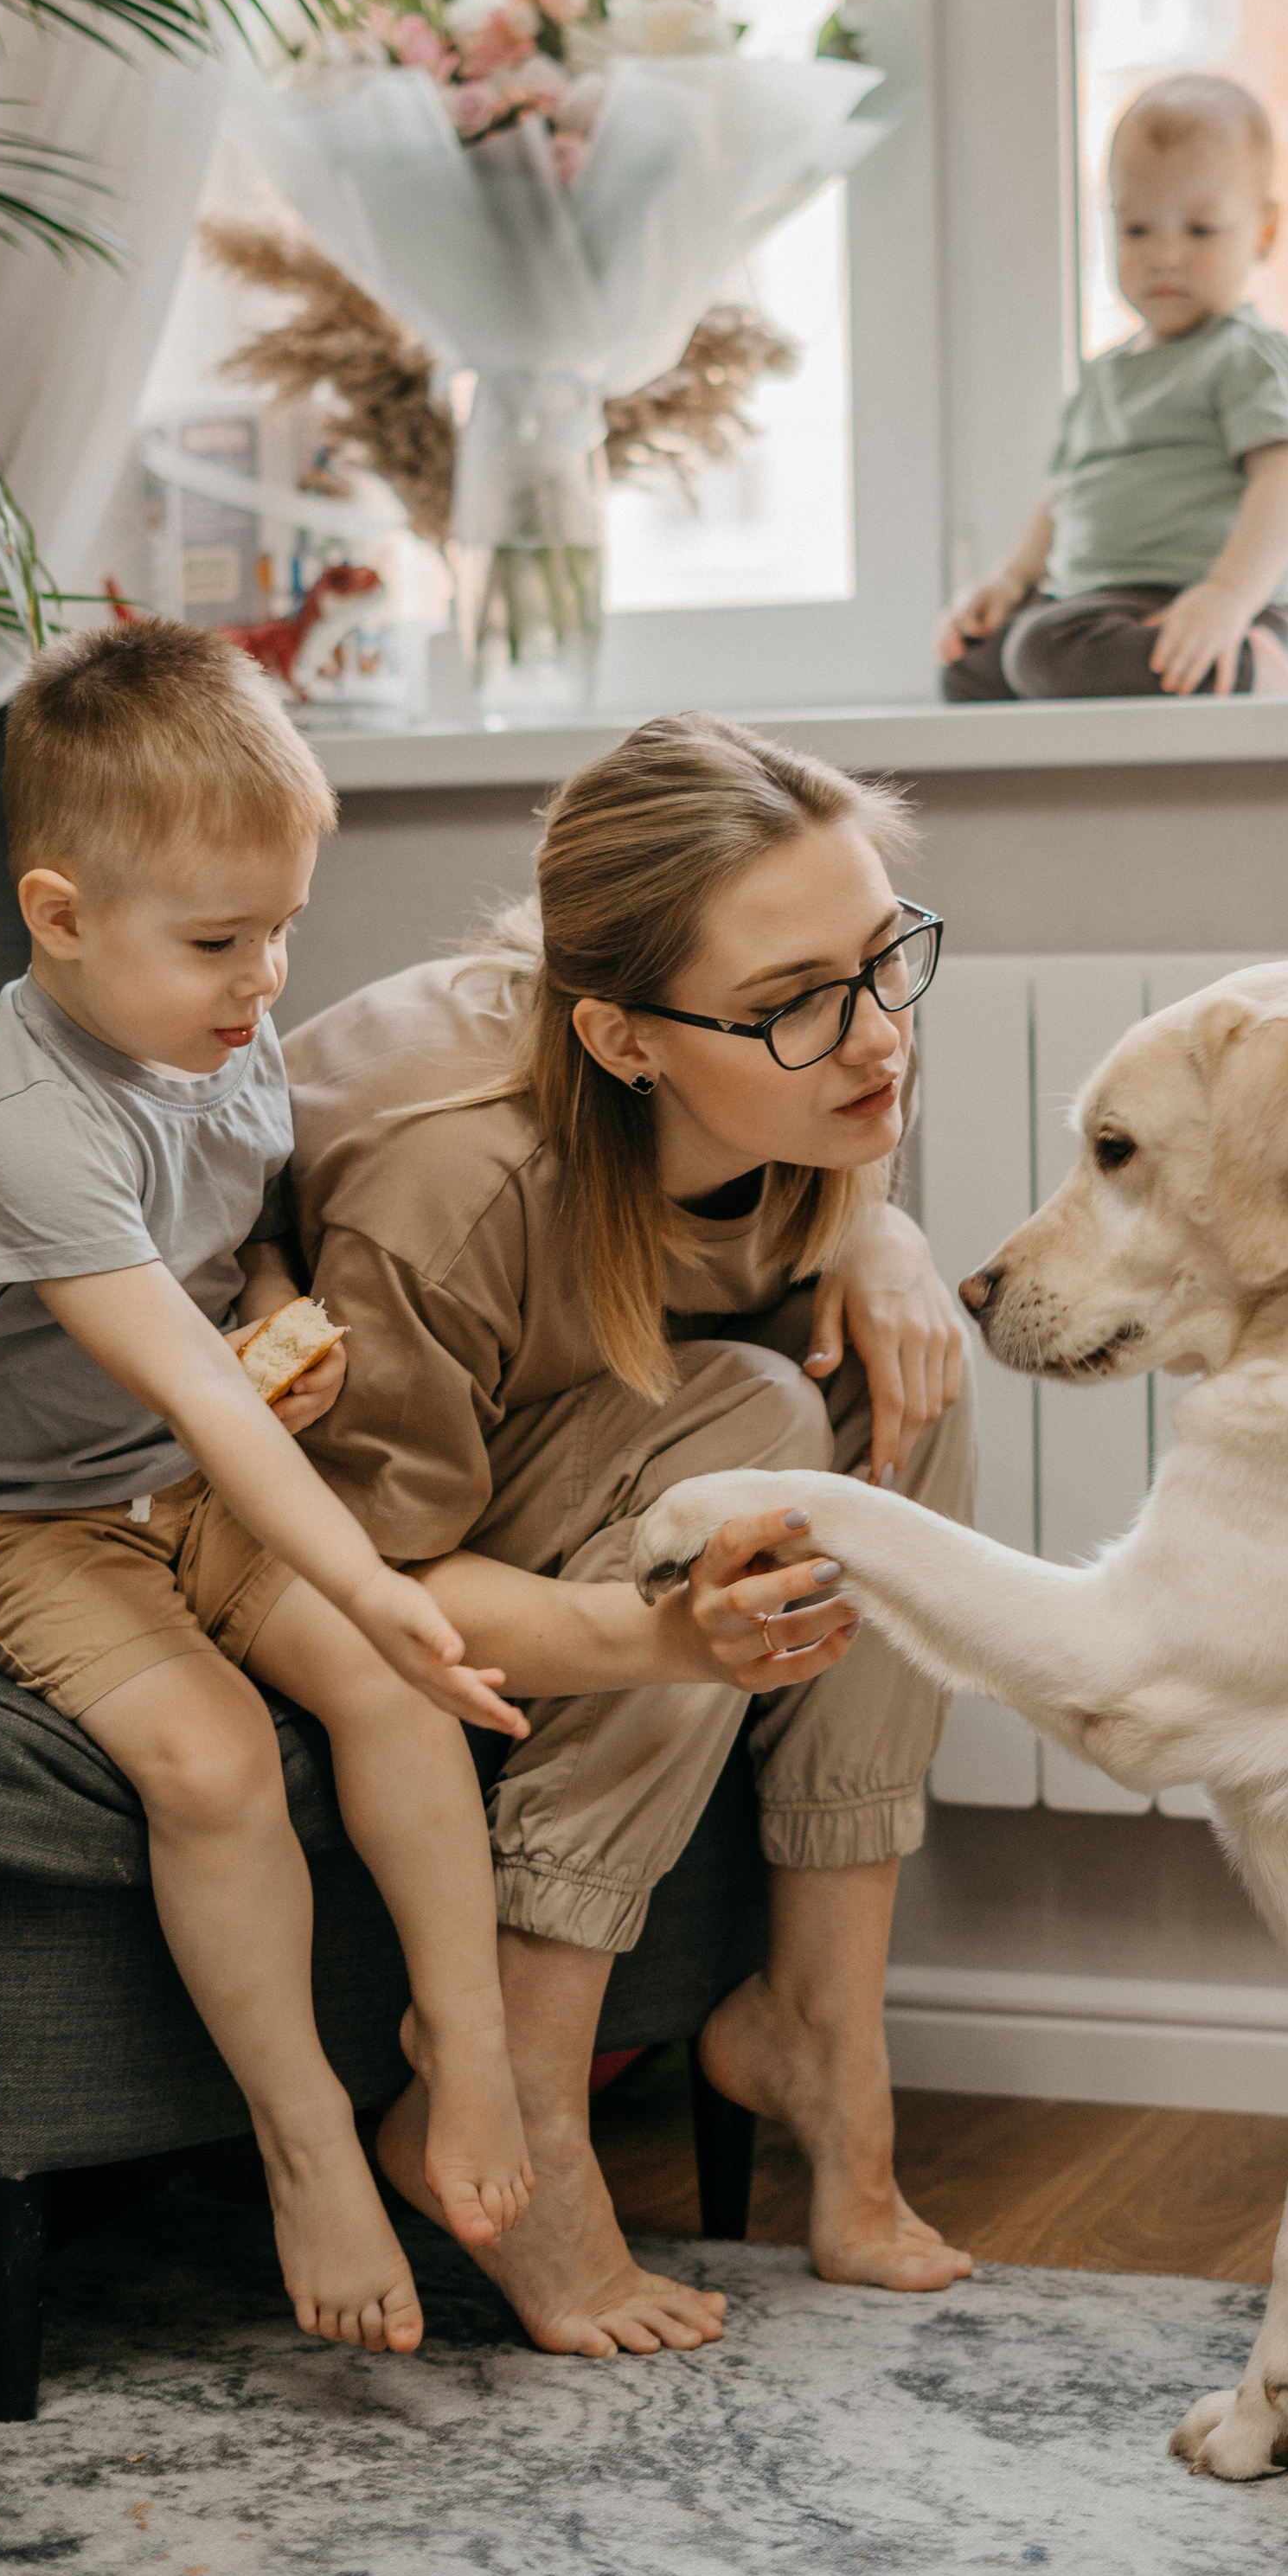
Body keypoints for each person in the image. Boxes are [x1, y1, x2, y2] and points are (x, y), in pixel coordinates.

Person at [282, 711, 977, 2360]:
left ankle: (817, 2024)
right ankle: (512, 2089)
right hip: (329, 1528)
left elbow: (821, 1145)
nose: (876, 1036)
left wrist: (887, 1236)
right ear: (622, 1039)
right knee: (752, 1429)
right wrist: (670, 1630)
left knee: (904, 1379)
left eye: (886, 959)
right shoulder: (451, 1180)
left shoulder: (824, 1069)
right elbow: (380, 1575)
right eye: (796, 1002)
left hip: (565, 1435)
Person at [0, 622, 534, 2357]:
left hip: (191, 1472)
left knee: (384, 1689)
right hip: (24, 1524)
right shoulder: (32, 1120)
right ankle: (307, 2138)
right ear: (58, 918)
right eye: (214, 943)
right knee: (216, 1752)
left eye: (281, 932)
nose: (263, 986)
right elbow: (177, 1383)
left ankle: (464, 2048)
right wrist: (373, 1568)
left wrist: (278, 1329)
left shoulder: (220, 1037)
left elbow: (228, 1286)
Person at [939, 74, 1288, 704]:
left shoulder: (1246, 356)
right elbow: (1067, 497)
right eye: (1137, 230)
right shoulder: (1104, 375)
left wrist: (1226, 598)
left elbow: (1287, 480)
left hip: (1189, 601)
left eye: (1200, 231)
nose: (1165, 255)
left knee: (1043, 652)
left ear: (1264, 232)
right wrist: (1011, 580)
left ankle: (1251, 666)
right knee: (968, 669)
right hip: (1091, 600)